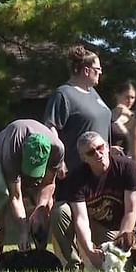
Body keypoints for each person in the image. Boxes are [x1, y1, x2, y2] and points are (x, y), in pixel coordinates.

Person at [50, 132, 136, 271]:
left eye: (100, 148)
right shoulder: (77, 177)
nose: (98, 154)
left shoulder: (129, 169)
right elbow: (81, 218)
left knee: (121, 268)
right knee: (60, 211)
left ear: (106, 146)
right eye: (91, 152)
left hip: (116, 229)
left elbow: (130, 212)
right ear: (84, 158)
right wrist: (89, 251)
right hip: (91, 223)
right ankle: (74, 264)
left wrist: (119, 247)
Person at [0, 119, 64, 254]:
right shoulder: (13, 149)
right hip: (2, 156)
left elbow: (48, 184)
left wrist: (39, 209)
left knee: (46, 205)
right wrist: (23, 230)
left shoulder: (57, 149)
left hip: (27, 154)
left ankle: (40, 252)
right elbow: (15, 196)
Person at [43, 45, 112, 177]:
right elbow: (51, 128)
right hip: (77, 171)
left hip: (101, 170)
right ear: (87, 71)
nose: (101, 72)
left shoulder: (93, 93)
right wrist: (59, 160)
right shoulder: (64, 94)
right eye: (98, 69)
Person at [111, 81, 136, 152]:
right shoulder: (108, 115)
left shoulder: (135, 116)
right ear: (117, 95)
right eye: (127, 97)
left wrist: (130, 115)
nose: (130, 101)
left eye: (132, 98)